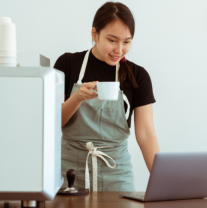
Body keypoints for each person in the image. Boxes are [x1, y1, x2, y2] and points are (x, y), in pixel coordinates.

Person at [54, 2, 159, 192]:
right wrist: (76, 98)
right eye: (112, 40)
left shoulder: (138, 75)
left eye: (126, 42)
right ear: (95, 34)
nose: (119, 50)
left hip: (117, 176)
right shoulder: (67, 64)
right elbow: (52, 123)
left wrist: (162, 181)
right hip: (69, 175)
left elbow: (146, 134)